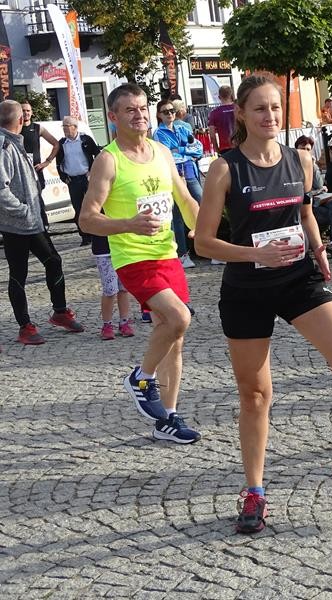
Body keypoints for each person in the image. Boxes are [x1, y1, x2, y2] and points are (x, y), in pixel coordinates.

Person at [193, 75, 332, 534]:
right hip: (247, 288)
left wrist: (318, 248)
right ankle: (254, 491)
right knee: (255, 395)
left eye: (275, 108)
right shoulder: (225, 168)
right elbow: (203, 243)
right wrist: (255, 253)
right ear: (241, 113)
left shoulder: (301, 159)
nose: (270, 116)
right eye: (259, 109)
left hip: (298, 279)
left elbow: (306, 211)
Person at [80, 83, 201, 444]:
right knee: (180, 317)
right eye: (130, 110)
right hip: (133, 258)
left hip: (167, 254)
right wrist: (128, 224)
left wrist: (203, 230)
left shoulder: (162, 151)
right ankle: (141, 377)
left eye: (143, 107)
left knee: (174, 337)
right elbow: (87, 219)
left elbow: (183, 198)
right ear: (113, 117)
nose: (140, 114)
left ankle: (168, 418)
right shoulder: (108, 159)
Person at [0, 100, 85, 345]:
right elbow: (1, 190)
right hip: (16, 225)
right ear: (20, 120)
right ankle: (25, 326)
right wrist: (24, 211)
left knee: (53, 261)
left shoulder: (15, 142)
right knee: (18, 274)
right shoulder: (4, 146)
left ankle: (60, 312)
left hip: (33, 222)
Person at [153, 98, 204, 269]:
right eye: (165, 112)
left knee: (203, 206)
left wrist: (180, 150)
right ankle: (183, 254)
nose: (170, 114)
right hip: (173, 175)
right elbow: (168, 155)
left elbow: (198, 149)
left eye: (172, 111)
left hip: (189, 172)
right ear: (159, 115)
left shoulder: (183, 128)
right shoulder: (158, 134)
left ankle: (209, 248)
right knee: (178, 216)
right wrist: (186, 151)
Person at [293, 135, 332, 262]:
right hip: (303, 209)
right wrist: (318, 191)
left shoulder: (312, 165)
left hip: (316, 203)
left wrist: (313, 166)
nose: (305, 152)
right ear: (296, 150)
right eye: (302, 149)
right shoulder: (292, 167)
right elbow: (300, 192)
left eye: (308, 149)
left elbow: (318, 185)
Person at [55, 116, 102, 246]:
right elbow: (58, 163)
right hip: (73, 180)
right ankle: (85, 236)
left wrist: (92, 171)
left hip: (87, 178)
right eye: (63, 126)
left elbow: (98, 155)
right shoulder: (62, 143)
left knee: (93, 206)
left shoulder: (85, 139)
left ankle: (99, 234)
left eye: (66, 126)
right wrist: (64, 177)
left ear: (74, 127)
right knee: (78, 209)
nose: (64, 129)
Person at [92, 231, 135, 340]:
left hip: (124, 247)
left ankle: (124, 322)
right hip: (104, 250)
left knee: (124, 288)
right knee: (110, 290)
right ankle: (107, 324)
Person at [20, 101, 59, 191]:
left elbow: (56, 144)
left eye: (28, 110)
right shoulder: (13, 128)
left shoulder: (38, 128)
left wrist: (47, 162)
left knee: (37, 197)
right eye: (23, 110)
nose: (26, 113)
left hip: (36, 171)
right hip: (20, 172)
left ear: (32, 112)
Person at [208, 85, 236, 155]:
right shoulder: (238, 109)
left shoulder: (214, 113)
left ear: (219, 97)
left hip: (224, 149)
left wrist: (217, 150)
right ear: (231, 95)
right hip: (242, 146)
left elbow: (212, 135)